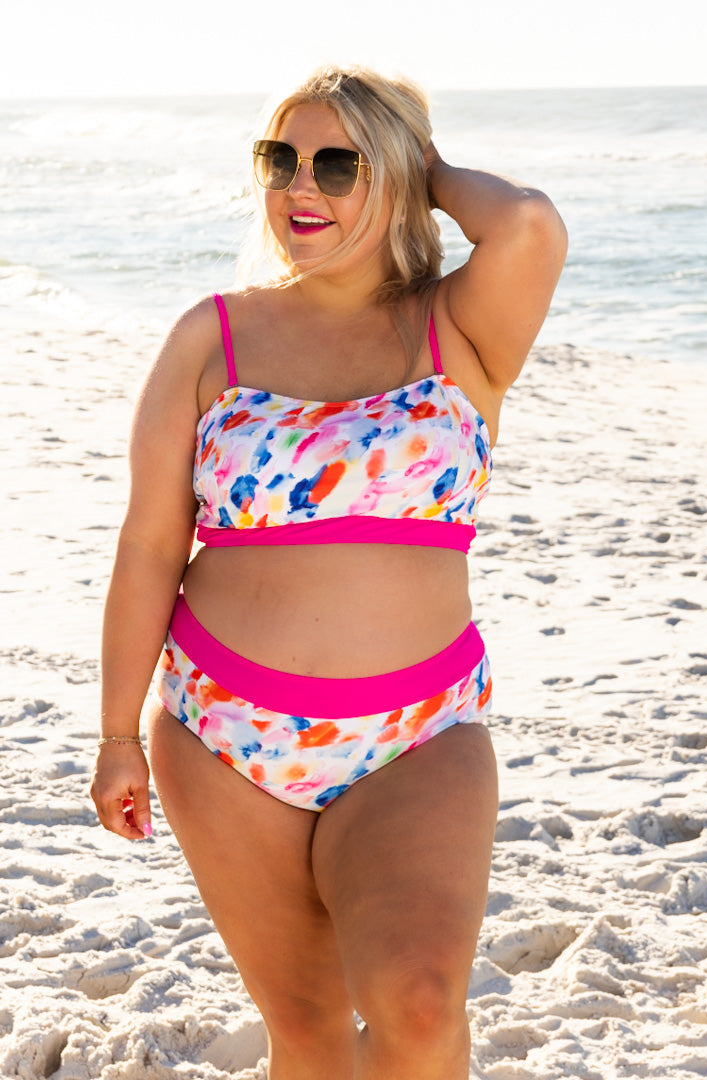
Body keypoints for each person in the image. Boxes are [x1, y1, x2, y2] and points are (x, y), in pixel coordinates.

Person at [91, 65, 567, 1080]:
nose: (301, 186)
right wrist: (117, 734)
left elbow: (527, 223)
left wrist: (427, 168)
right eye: (282, 160)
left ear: (396, 177)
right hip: (225, 737)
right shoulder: (212, 335)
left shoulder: (461, 325)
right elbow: (149, 546)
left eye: (339, 165)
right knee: (306, 1032)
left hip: (417, 736)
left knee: (421, 1005)